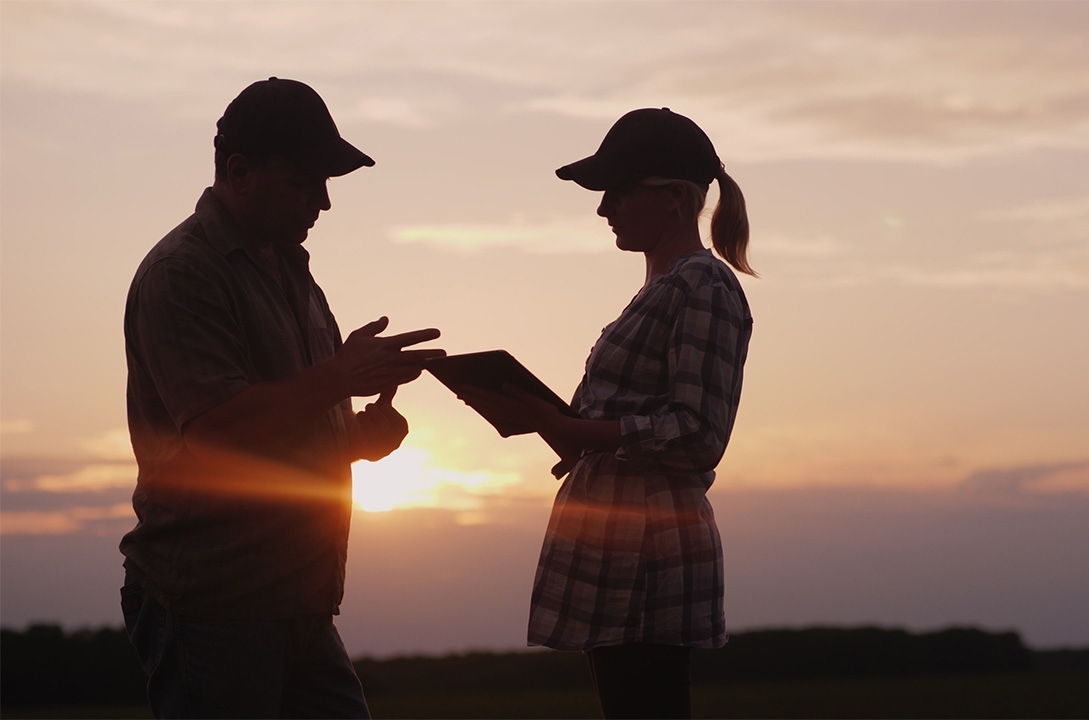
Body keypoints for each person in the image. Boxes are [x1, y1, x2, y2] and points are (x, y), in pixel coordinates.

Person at [118, 77, 444, 719]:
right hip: (215, 603)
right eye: (305, 183)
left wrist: (356, 436)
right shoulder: (182, 273)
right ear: (239, 173)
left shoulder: (290, 267)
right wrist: (339, 377)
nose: (322, 203)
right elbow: (218, 435)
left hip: (297, 599)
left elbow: (284, 423)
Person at [457, 107, 755, 719]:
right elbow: (635, 423)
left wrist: (571, 428)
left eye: (617, 193)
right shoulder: (665, 287)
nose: (602, 210)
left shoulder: (703, 286)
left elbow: (699, 435)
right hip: (618, 548)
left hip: (649, 551)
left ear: (675, 197)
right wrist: (549, 422)